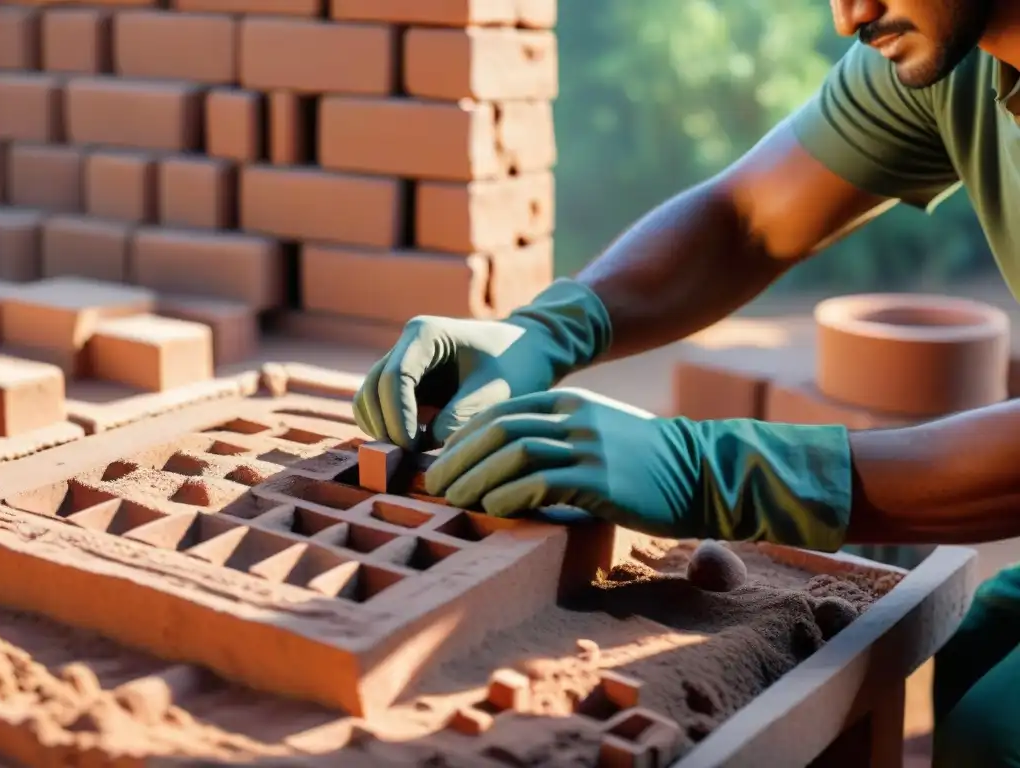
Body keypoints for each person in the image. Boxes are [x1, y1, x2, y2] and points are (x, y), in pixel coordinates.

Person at [352, 1, 1020, 764]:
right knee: (978, 650)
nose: (850, 16)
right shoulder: (945, 48)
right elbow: (746, 216)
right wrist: (553, 328)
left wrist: (719, 472)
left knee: (997, 732)